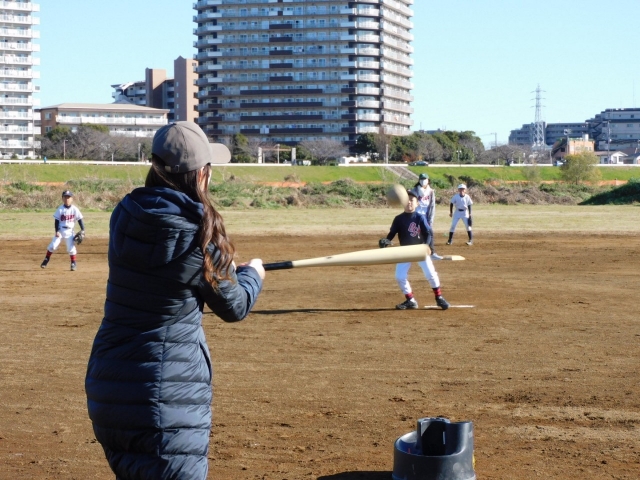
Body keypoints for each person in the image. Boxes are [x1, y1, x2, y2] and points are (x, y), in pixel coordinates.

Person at [85, 122, 265, 480]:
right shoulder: (198, 235)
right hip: (166, 396)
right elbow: (235, 306)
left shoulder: (126, 214)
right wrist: (252, 274)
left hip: (110, 387)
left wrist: (220, 265)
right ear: (200, 174)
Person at [380, 188, 450, 310]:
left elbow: (428, 233)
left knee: (431, 274)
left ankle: (439, 297)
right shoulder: (398, 219)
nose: (409, 202)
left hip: (419, 250)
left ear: (417, 203)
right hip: (405, 251)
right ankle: (410, 300)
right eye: (407, 199)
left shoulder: (420, 217)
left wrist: (428, 246)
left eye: (412, 200)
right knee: (399, 277)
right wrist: (386, 241)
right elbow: (391, 234)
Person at [40, 190, 85, 271]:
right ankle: (46, 259)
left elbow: (80, 219)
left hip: (70, 231)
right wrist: (57, 231)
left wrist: (83, 229)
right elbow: (56, 221)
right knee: (53, 246)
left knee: (71, 248)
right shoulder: (60, 209)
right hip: (60, 230)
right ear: (62, 199)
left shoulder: (75, 209)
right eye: (65, 197)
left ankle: (73, 263)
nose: (67, 199)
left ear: (72, 199)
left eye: (68, 197)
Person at [413, 172, 441, 259]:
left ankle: (431, 253)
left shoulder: (431, 192)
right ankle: (416, 253)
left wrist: (430, 220)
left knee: (429, 233)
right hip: (416, 215)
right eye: (421, 179)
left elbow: (432, 206)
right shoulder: (415, 190)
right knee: (417, 234)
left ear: (428, 180)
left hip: (425, 216)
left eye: (424, 179)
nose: (423, 181)